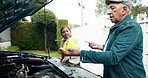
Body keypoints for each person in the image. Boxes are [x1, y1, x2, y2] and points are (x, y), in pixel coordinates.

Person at [61, 0, 146, 78]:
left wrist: (81, 53)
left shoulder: (131, 27)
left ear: (124, 9)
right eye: (108, 8)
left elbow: (113, 56)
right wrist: (101, 47)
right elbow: (121, 48)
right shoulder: (119, 26)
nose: (108, 12)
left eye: (112, 8)